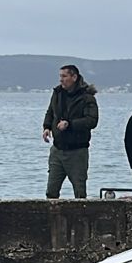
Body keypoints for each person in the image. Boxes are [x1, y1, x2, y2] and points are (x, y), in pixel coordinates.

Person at [42, 64, 100, 199]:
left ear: (74, 77)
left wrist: (70, 124)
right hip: (57, 149)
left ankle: (81, 218)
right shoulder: (57, 93)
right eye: (60, 76)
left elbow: (92, 121)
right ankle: (51, 218)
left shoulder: (87, 97)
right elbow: (51, 112)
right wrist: (46, 127)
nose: (61, 80)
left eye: (64, 76)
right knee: (51, 191)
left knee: (79, 192)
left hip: (77, 151)